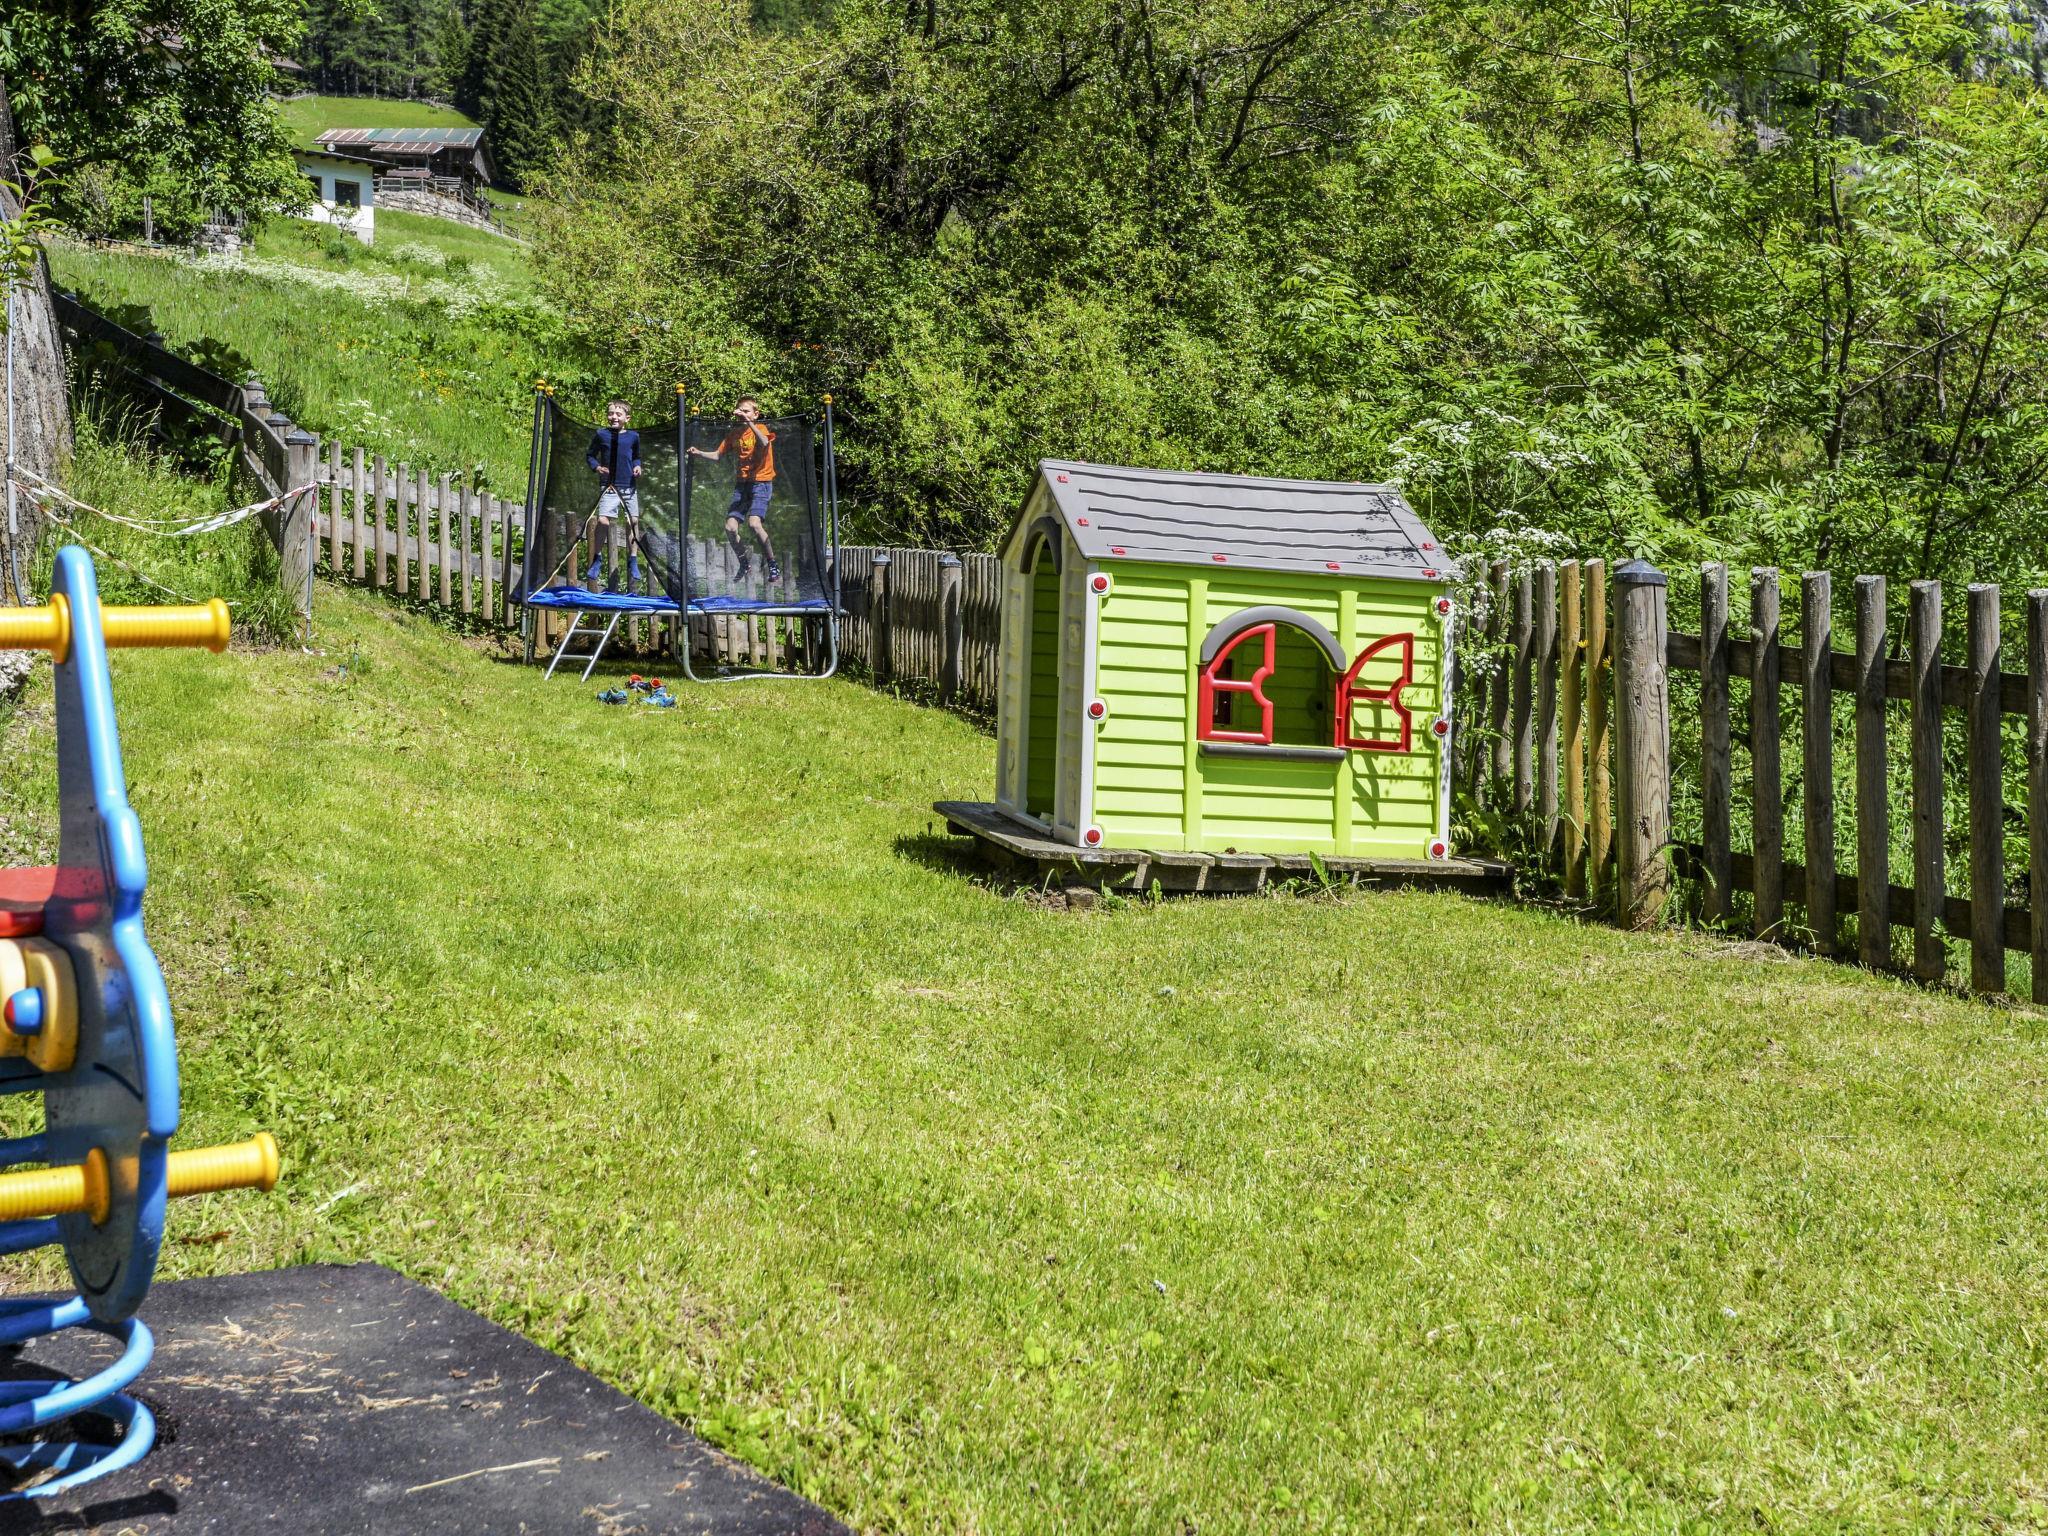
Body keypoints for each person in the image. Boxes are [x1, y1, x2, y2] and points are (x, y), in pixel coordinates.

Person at [688, 395, 781, 584]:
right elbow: (717, 455)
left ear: (755, 414)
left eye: (747, 411)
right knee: (730, 527)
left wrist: (749, 422)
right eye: (741, 411)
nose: (742, 414)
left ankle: (772, 563)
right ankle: (744, 563)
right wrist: (699, 453)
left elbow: (764, 442)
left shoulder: (761, 429)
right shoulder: (734, 435)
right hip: (742, 484)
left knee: (754, 524)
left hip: (761, 483)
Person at [585, 399, 642, 592]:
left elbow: (636, 456)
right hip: (609, 485)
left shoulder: (633, 437)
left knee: (633, 521)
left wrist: (637, 466)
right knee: (603, 520)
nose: (614, 417)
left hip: (628, 485)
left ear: (627, 418)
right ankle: (597, 558)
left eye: (618, 414)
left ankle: (633, 559)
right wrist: (596, 467)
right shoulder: (601, 434)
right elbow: (590, 455)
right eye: (611, 413)